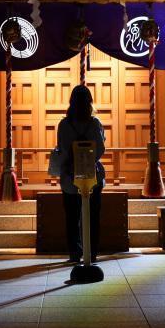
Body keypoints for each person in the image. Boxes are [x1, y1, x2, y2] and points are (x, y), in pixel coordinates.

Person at [56, 84, 106, 262]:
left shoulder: (64, 124)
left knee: (72, 216)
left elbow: (61, 148)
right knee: (93, 216)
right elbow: (101, 149)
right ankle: (91, 253)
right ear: (89, 102)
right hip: (92, 176)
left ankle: (75, 253)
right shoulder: (95, 123)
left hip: (71, 177)